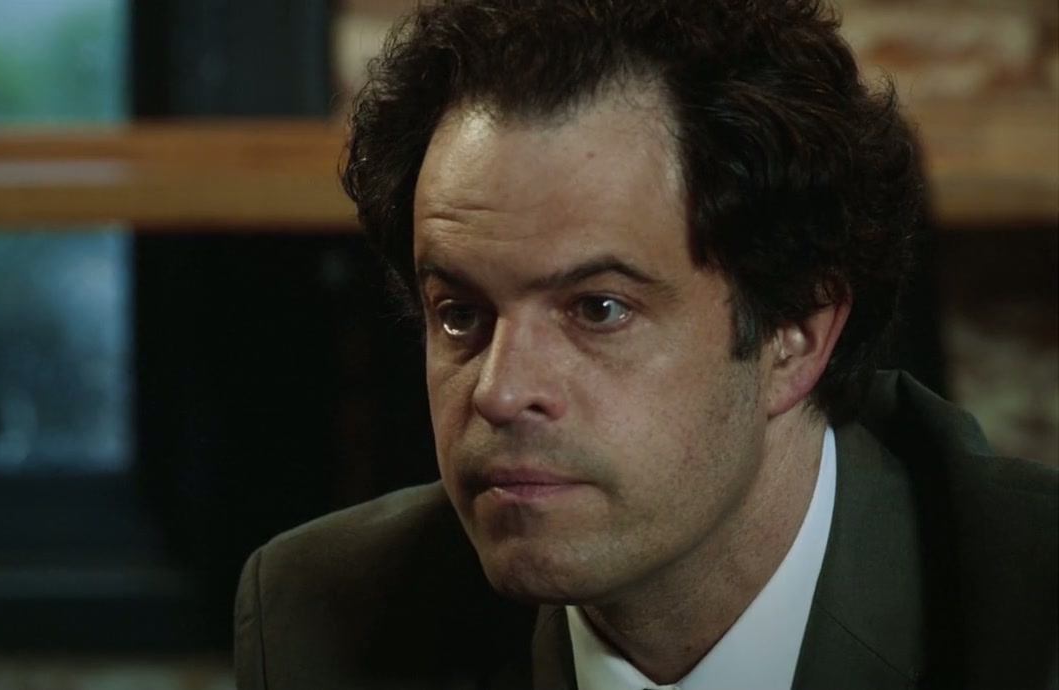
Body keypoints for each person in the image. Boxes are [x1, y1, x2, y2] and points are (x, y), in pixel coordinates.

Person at [233, 1, 1059, 687]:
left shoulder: (1029, 613)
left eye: (598, 309)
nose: (498, 391)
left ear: (795, 335)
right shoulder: (323, 621)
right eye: (460, 314)